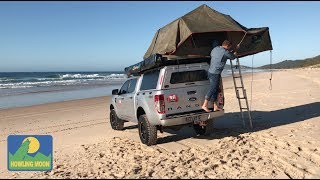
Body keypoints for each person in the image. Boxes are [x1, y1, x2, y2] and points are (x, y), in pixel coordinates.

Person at [202, 40, 239, 112]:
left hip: (210, 71)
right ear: (228, 46)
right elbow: (233, 57)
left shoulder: (215, 48)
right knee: (213, 88)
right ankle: (205, 105)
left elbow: (225, 53)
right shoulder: (225, 52)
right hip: (215, 73)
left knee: (215, 89)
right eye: (229, 47)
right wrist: (237, 49)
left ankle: (215, 106)